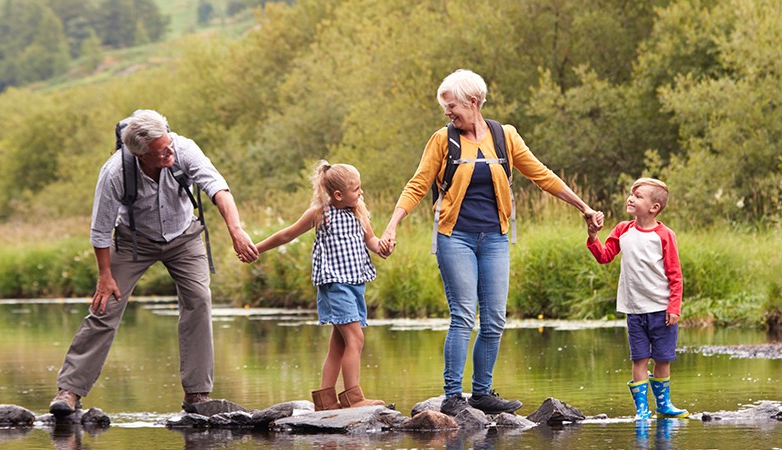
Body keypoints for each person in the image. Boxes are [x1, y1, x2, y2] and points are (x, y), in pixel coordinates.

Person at [380, 69, 604, 416]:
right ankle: (453, 396)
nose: (447, 113)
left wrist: (583, 207)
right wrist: (393, 224)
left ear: (474, 101)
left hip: (495, 238)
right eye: (445, 108)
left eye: (451, 105)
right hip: (455, 237)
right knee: (464, 315)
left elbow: (541, 175)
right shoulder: (443, 139)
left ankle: (482, 393)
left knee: (495, 318)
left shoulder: (505, 136)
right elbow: (418, 184)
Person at [49, 109, 260, 418]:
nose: (169, 152)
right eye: (161, 151)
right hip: (134, 241)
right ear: (140, 155)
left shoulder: (183, 148)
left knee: (199, 301)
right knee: (105, 307)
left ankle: (197, 395)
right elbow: (100, 229)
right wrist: (105, 275)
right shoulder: (115, 172)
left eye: (168, 144)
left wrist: (236, 230)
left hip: (184, 236)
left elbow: (218, 188)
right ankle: (69, 391)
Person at [251, 161, 390, 411]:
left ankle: (326, 400)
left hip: (355, 284)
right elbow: (287, 234)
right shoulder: (320, 213)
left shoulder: (359, 210)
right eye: (357, 189)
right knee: (355, 339)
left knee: (339, 342)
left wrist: (382, 247)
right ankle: (353, 397)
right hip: (335, 285)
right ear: (338, 194)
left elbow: (370, 239)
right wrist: (257, 248)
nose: (361, 193)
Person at [585, 177, 689, 419]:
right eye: (631, 194)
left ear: (655, 207)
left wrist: (674, 307)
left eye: (638, 195)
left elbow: (675, 275)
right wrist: (593, 237)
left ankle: (663, 405)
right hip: (634, 311)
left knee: (662, 359)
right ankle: (642, 410)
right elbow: (604, 256)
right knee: (639, 358)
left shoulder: (664, 235)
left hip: (662, 310)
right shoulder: (623, 230)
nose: (630, 198)